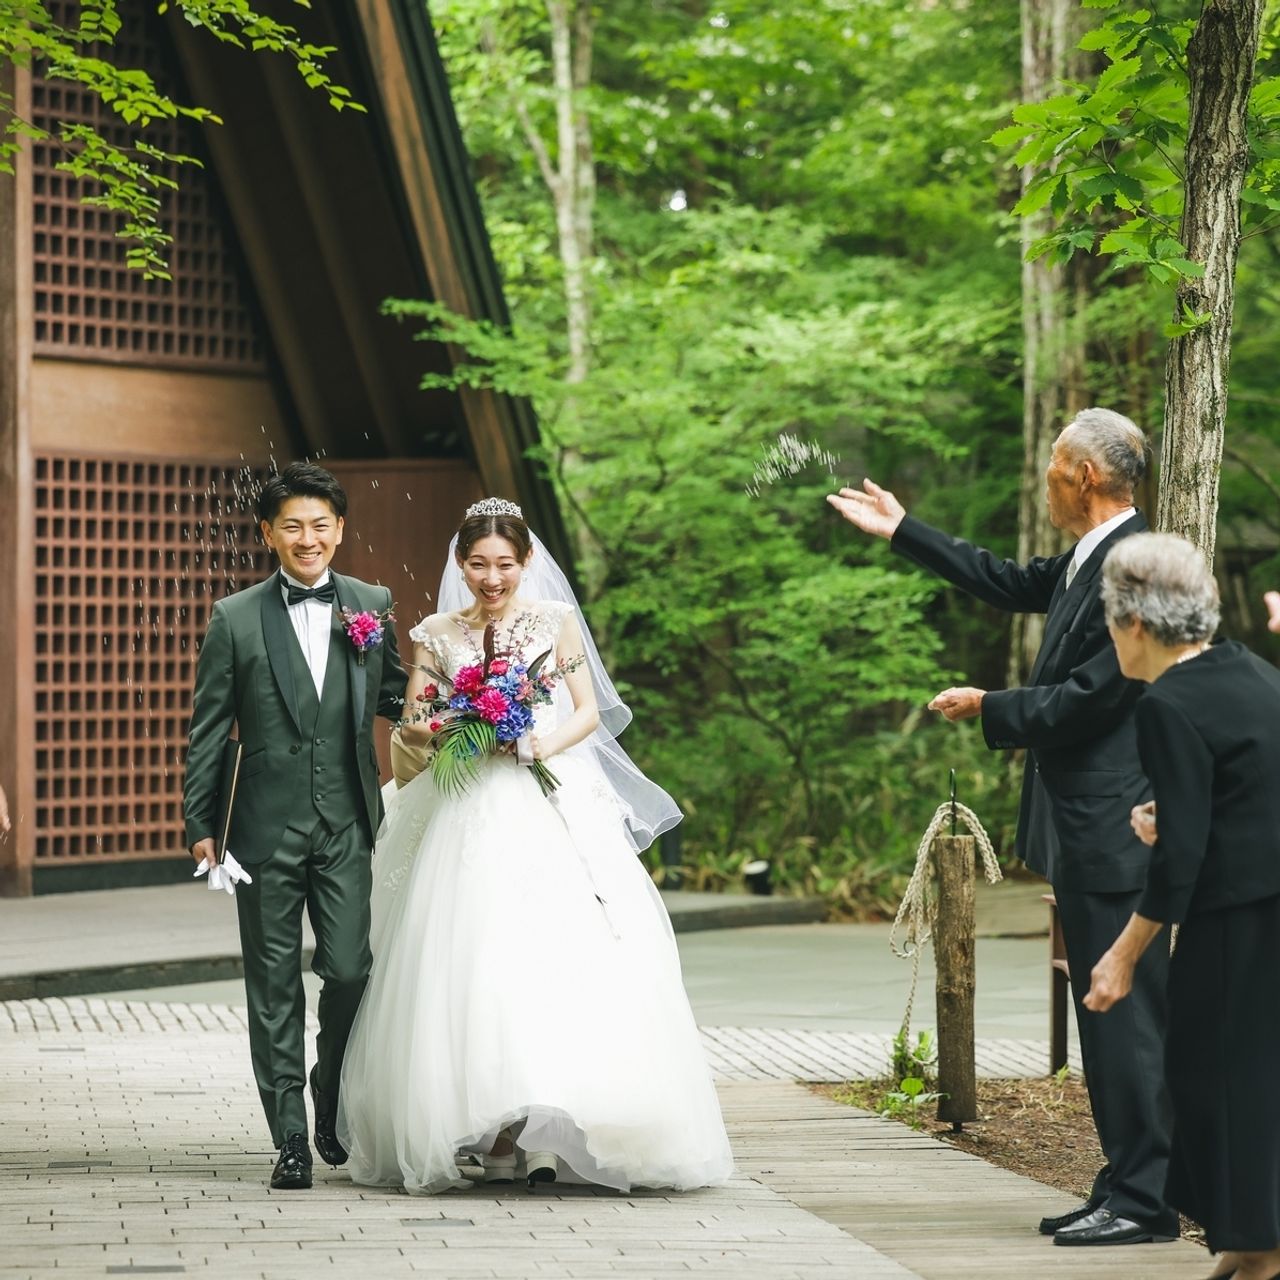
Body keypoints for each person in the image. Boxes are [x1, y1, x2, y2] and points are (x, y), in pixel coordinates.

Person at [827, 407, 1178, 1247]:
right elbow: (1008, 580)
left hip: (1114, 828)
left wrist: (994, 706)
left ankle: (1146, 1198)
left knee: (1125, 1013)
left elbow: (1097, 696)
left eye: (1052, 465)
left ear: (1083, 477)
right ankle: (1125, 1178)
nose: (1044, 478)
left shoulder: (1138, 567)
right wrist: (903, 530)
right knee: (1105, 1013)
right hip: (1087, 826)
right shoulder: (1094, 555)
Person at [336, 497, 733, 1194]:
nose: (492, 578)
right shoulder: (436, 633)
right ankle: (492, 1132)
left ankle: (552, 1131)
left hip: (545, 798)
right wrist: (462, 721)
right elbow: (415, 718)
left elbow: (587, 711)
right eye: (478, 564)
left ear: (524, 563)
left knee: (558, 952)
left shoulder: (555, 621)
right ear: (461, 564)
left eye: (505, 564)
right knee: (470, 953)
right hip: (466, 802)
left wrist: (536, 741)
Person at [183, 462, 406, 1191]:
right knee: (273, 982)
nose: (307, 538)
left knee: (349, 970)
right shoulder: (235, 616)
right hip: (261, 828)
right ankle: (288, 1138)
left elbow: (399, 696)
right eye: (292, 526)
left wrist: (471, 702)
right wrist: (201, 819)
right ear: (268, 534)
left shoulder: (372, 604)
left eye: (320, 525)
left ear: (339, 529)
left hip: (346, 822)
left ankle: (328, 1090)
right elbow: (210, 728)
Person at [1086, 533, 1280, 1280]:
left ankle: (1261, 1253)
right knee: (1247, 1078)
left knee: (1214, 1081)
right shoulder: (1251, 670)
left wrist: (1122, 953)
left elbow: (1179, 862)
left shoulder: (1165, 704)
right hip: (1262, 906)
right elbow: (1250, 787)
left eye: (1110, 622)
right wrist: (1174, 818)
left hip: (1238, 923)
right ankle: (1247, 1239)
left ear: (1135, 623)